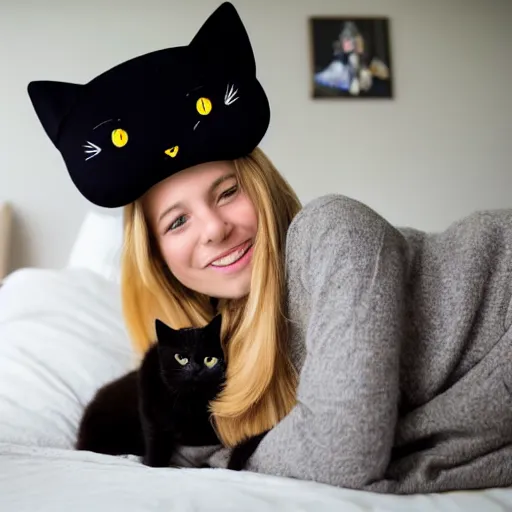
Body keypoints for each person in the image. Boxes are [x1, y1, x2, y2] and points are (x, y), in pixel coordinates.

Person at [27, 1, 512, 495]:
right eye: (177, 221)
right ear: (157, 256)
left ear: (262, 188)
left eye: (228, 192)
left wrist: (229, 460)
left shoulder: (330, 232)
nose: (214, 229)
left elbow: (340, 454)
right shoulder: (221, 351)